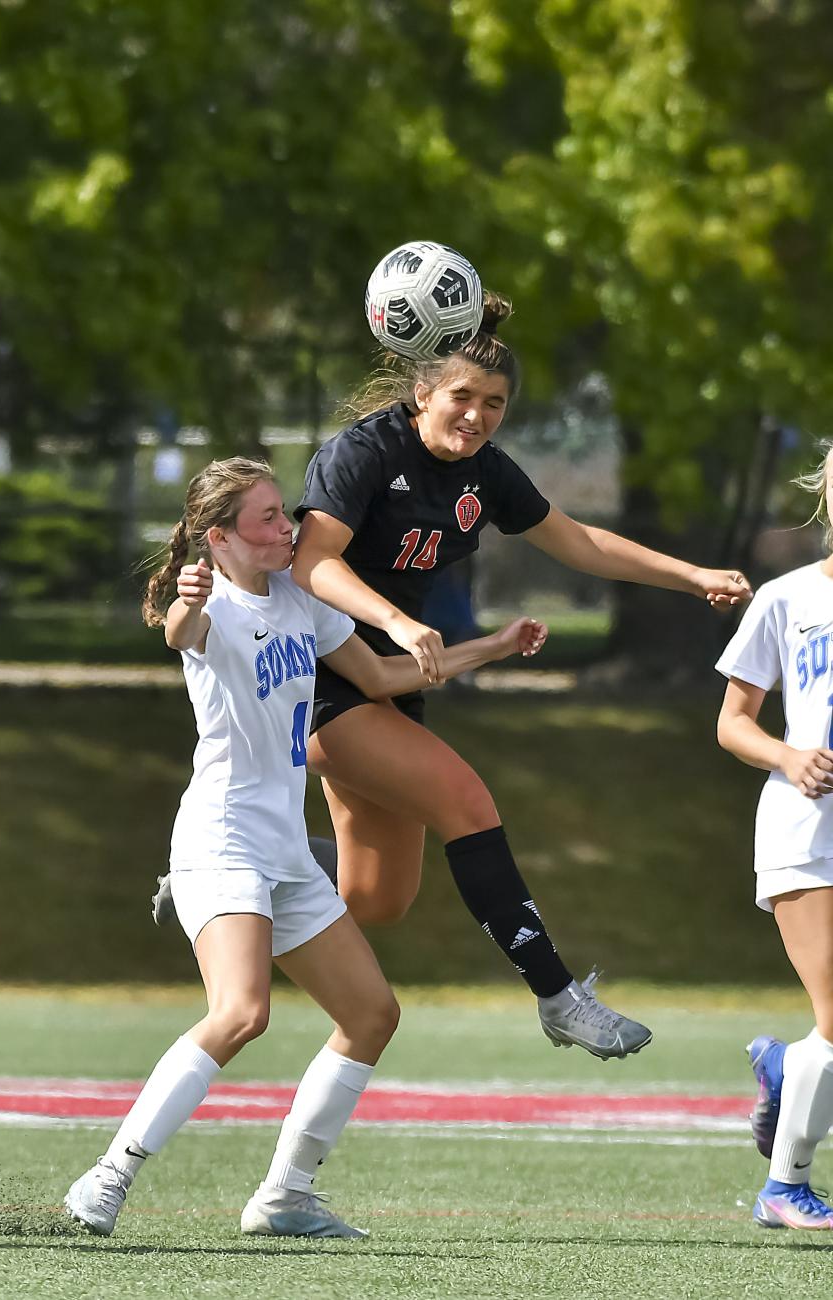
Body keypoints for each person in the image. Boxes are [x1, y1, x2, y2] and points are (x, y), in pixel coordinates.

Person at [65, 457, 549, 1240]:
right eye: (264, 520)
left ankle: (285, 1194)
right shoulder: (212, 605)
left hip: (286, 851)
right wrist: (187, 603)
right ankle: (109, 1175)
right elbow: (180, 632)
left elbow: (384, 678)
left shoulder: (299, 600)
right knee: (242, 1013)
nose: (285, 528)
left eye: (283, 512)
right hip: (223, 842)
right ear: (218, 539)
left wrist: (491, 645)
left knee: (372, 1015)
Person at [288, 290, 753, 1060]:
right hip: (324, 679)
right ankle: (558, 996)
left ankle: (244, 867)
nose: (476, 415)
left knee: (376, 899)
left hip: (396, 683)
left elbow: (581, 543)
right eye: (462, 397)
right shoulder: (363, 452)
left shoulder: (485, 473)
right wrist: (401, 622)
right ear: (422, 392)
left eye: (495, 404)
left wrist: (693, 573)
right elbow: (312, 561)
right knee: (467, 801)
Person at [716, 441, 833, 1232]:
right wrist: (790, 756)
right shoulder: (788, 598)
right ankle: (784, 1186)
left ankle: (790, 1066)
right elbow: (732, 725)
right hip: (807, 825)